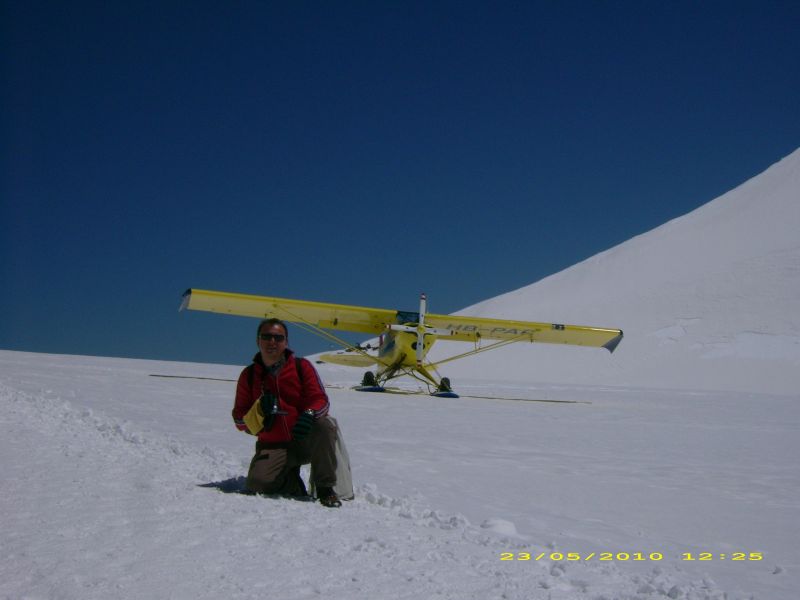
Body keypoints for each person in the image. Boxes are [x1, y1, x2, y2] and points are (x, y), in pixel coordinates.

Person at [232, 318, 345, 508]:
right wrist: (259, 412)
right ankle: (290, 479)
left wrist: (309, 414)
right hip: (272, 445)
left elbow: (321, 400)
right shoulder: (249, 375)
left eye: (278, 337)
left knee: (325, 425)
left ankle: (325, 488)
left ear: (286, 342)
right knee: (257, 484)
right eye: (266, 337)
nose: (272, 342)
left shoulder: (302, 367)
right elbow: (239, 418)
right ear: (258, 341)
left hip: (304, 440)